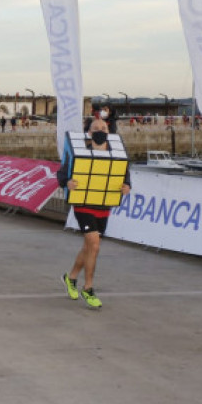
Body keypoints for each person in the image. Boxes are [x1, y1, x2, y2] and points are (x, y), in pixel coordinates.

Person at [56, 117, 131, 309]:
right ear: (88, 133)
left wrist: (127, 186)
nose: (100, 130)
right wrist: (67, 183)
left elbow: (124, 174)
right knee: (95, 246)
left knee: (89, 247)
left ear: (108, 131)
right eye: (95, 128)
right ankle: (88, 288)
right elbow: (62, 172)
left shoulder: (117, 152)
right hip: (83, 204)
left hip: (104, 205)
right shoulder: (80, 151)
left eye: (103, 127)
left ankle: (70, 277)